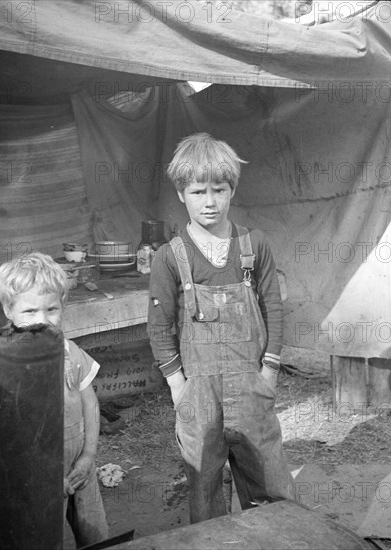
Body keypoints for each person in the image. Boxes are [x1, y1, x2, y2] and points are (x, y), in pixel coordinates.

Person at [147, 132, 295, 524]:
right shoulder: (169, 257)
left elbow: (274, 309)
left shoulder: (254, 244)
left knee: (270, 484)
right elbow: (159, 325)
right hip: (198, 391)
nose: (209, 201)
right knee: (204, 489)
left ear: (232, 190)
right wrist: (178, 385)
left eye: (219, 189)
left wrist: (269, 372)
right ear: (181, 193)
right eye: (198, 191)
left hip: (251, 385)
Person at [0, 251, 108, 547]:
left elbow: (90, 404)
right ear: (8, 311)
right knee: (42, 538)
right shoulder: (7, 371)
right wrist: (43, 479)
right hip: (37, 481)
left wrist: (89, 456)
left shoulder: (72, 352)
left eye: (51, 309)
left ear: (63, 305)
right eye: (30, 312)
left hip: (81, 468)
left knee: (95, 534)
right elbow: (9, 443)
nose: (42, 320)